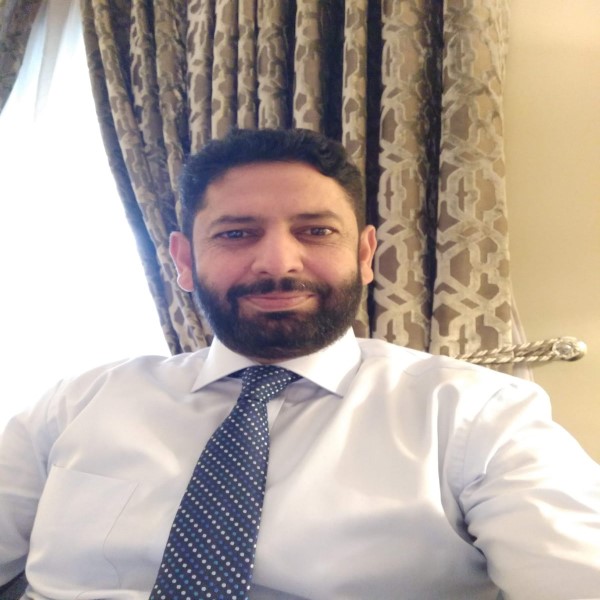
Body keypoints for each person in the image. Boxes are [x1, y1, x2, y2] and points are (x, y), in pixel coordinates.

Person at [1, 128, 599, 600]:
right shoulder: (77, 403)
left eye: (315, 231)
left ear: (364, 254)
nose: (278, 262)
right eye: (236, 234)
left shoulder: (481, 417)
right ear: (183, 261)